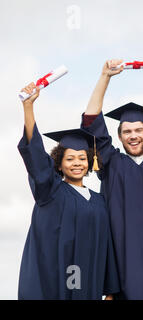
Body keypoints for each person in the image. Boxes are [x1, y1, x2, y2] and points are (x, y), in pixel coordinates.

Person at [80, 58, 143, 299]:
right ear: (119, 136)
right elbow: (91, 121)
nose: (133, 135)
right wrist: (104, 77)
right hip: (124, 274)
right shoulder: (111, 163)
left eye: (139, 130)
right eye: (127, 131)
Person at [17, 83, 119, 299]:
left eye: (82, 158)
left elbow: (106, 245)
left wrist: (110, 292)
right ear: (59, 163)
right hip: (55, 285)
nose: (77, 163)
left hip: (86, 286)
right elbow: (35, 156)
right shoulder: (51, 191)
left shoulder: (99, 201)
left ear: (90, 161)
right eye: (69, 158)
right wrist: (28, 108)